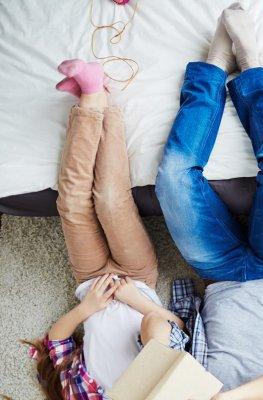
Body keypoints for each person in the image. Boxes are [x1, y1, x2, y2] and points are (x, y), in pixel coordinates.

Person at [155, 4, 263, 399]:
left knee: (173, 178)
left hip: (219, 271)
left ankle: (214, 67)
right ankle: (250, 67)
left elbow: (164, 334)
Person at [25, 59, 185, 399]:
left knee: (70, 203)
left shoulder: (80, 395)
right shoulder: (158, 394)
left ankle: (92, 100)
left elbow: (57, 342)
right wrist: (132, 298)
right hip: (135, 278)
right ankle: (101, 102)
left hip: (90, 279)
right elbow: (177, 328)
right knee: (111, 200)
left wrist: (90, 307)